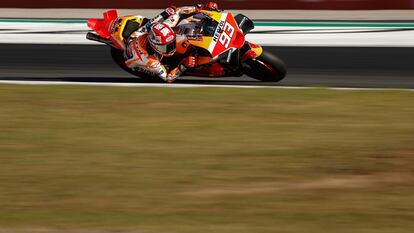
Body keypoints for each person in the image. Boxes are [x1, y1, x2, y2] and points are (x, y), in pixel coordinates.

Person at [123, 2, 220, 83]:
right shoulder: (150, 61)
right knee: (171, 64)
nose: (171, 48)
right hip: (137, 59)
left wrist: (201, 8)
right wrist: (184, 65)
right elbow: (168, 78)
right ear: (155, 46)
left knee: (170, 11)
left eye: (171, 43)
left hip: (139, 35)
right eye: (166, 47)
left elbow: (179, 11)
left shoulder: (166, 25)